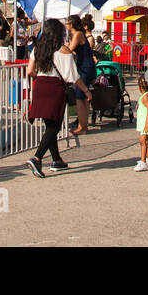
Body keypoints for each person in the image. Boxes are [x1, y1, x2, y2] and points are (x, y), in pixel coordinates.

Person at [25, 19, 89, 177]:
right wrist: (86, 91)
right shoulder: (64, 51)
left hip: (40, 86)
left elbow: (30, 71)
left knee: (49, 123)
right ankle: (37, 158)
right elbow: (74, 76)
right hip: (55, 88)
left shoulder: (37, 48)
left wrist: (40, 77)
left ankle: (56, 160)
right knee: (54, 126)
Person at [66, 15, 96, 135]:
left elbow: (70, 49)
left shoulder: (78, 34)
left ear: (71, 24)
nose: (66, 25)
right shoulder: (78, 34)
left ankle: (81, 126)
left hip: (84, 67)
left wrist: (63, 46)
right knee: (83, 97)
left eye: (67, 23)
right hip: (85, 66)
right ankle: (84, 125)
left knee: (80, 96)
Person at [134, 76, 148, 171]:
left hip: (146, 123)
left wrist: (147, 123)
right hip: (145, 122)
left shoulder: (146, 97)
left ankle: (143, 161)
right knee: (145, 142)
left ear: (140, 87)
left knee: (143, 141)